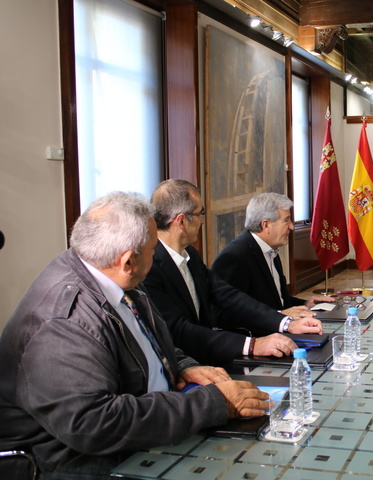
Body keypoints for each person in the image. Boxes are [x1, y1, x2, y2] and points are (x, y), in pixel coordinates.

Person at [0, 192, 270, 479]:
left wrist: (183, 366)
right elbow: (93, 425)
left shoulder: (113, 276)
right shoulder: (64, 321)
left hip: (140, 427)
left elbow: (146, 340)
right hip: (68, 461)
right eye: (154, 248)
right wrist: (213, 403)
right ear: (128, 261)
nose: (157, 255)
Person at [143, 180, 322, 366]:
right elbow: (180, 330)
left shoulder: (191, 256)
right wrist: (252, 345)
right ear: (181, 220)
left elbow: (228, 296)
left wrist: (285, 323)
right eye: (200, 214)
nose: (203, 220)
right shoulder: (150, 266)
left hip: (207, 356)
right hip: (181, 366)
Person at [212, 192, 334, 312]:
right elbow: (225, 314)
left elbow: (278, 301)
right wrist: (280, 317)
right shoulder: (234, 257)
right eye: (286, 220)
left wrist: (307, 304)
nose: (291, 226)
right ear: (266, 225)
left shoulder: (270, 250)